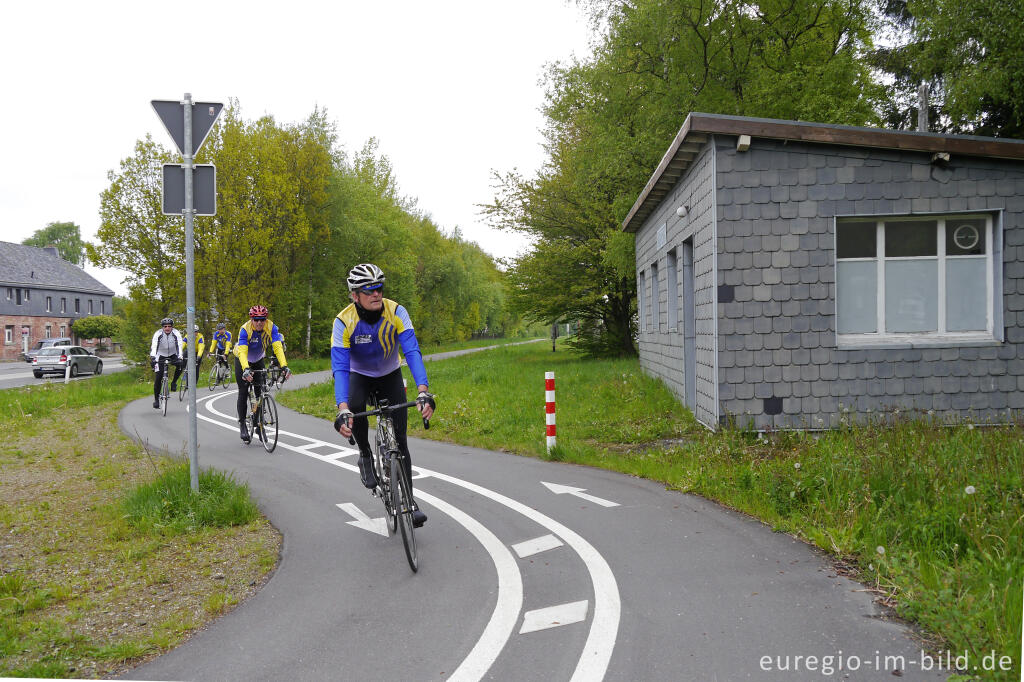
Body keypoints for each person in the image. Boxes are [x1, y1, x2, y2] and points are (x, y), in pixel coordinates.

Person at [332, 263, 435, 528]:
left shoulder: (397, 311)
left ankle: (410, 502)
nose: (376, 294)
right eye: (369, 290)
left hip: (390, 373)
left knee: (400, 441)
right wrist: (342, 408)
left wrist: (423, 391)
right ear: (355, 295)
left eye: (379, 288)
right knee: (355, 406)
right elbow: (341, 368)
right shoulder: (343, 321)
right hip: (359, 375)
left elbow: (412, 351)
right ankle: (365, 453)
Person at [234, 305, 290, 443]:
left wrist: (284, 366)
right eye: (256, 319)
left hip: (258, 359)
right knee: (243, 390)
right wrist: (246, 369)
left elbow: (277, 347)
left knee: (259, 393)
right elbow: (242, 352)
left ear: (266, 319)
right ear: (251, 319)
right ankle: (242, 424)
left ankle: (259, 424)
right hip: (242, 360)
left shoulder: (272, 328)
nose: (259, 322)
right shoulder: (244, 330)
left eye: (262, 319)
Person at [149, 317, 183, 408]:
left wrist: (180, 357)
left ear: (172, 327)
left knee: (181, 364)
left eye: (169, 326)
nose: (167, 328)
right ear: (162, 327)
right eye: (165, 326)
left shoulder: (176, 333)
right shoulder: (158, 334)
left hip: (172, 353)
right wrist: (153, 358)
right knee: (158, 377)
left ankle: (174, 382)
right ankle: (156, 400)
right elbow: (154, 346)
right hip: (160, 355)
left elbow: (179, 345)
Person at [181, 324, 206, 389]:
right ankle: (185, 370)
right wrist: (179, 352)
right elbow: (182, 344)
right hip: (189, 351)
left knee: (196, 368)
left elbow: (201, 347)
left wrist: (199, 356)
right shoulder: (187, 336)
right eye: (192, 331)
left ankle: (194, 384)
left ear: (197, 332)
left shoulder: (200, 337)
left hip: (197, 352)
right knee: (182, 357)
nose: (194, 333)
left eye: (196, 332)